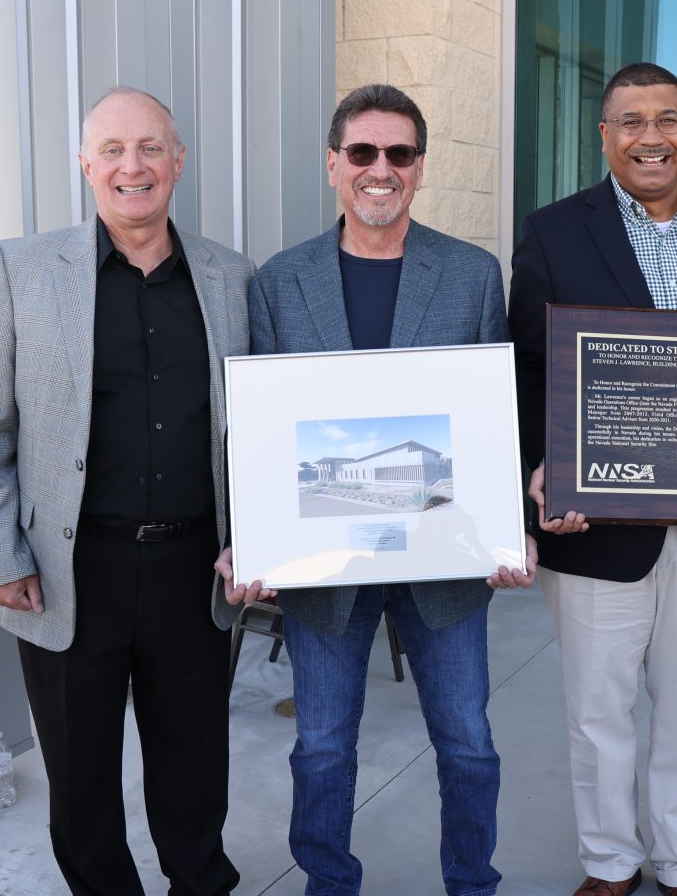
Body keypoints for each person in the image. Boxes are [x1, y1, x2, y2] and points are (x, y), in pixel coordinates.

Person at [220, 83, 530, 896]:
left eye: (399, 154)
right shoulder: (280, 282)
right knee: (321, 745)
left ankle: (472, 883)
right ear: (333, 164)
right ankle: (330, 884)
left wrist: (506, 526)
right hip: (327, 568)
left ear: (419, 168)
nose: (380, 169)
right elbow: (257, 431)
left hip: (448, 564)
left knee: (468, 743)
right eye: (363, 152)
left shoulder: (469, 275)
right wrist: (251, 538)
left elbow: (492, 417)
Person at [0, 87, 252, 895]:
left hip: (193, 571)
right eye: (114, 149)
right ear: (86, 165)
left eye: (151, 147)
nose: (134, 166)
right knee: (81, 776)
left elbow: (256, 428)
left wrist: (259, 539)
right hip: (65, 569)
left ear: (179, 161)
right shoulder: (19, 269)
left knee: (193, 766)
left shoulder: (230, 276)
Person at [509, 62, 677, 896]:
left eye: (668, 119)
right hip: (596, 529)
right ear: (605, 136)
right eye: (631, 121)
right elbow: (526, 368)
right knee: (598, 715)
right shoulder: (554, 231)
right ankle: (609, 862)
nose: (652, 137)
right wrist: (537, 472)